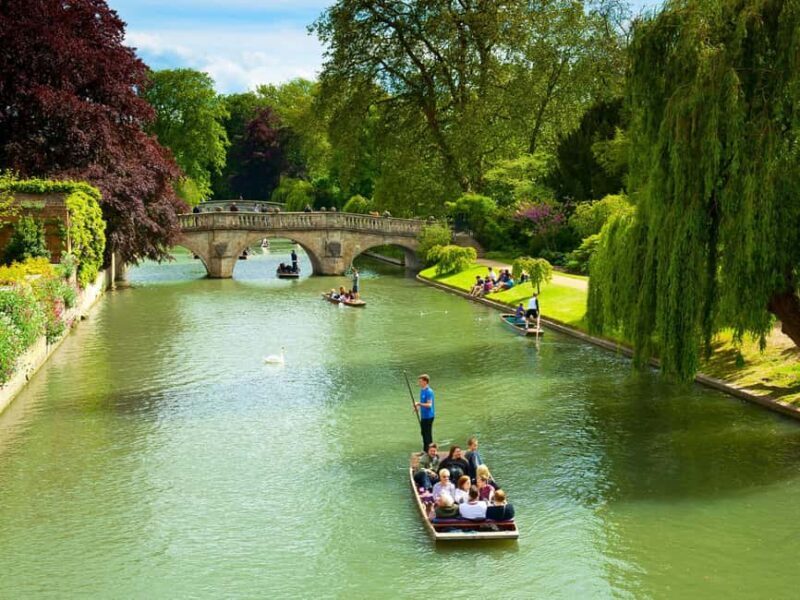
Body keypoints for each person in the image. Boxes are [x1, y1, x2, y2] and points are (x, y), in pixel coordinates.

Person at [415, 374, 434, 452]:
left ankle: (430, 451)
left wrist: (419, 404)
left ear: (425, 382)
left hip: (429, 416)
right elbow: (423, 402)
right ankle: (425, 451)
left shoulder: (429, 391)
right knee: (423, 433)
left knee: (428, 435)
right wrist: (418, 408)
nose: (419, 383)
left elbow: (429, 405)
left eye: (420, 381)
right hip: (423, 416)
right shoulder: (422, 390)